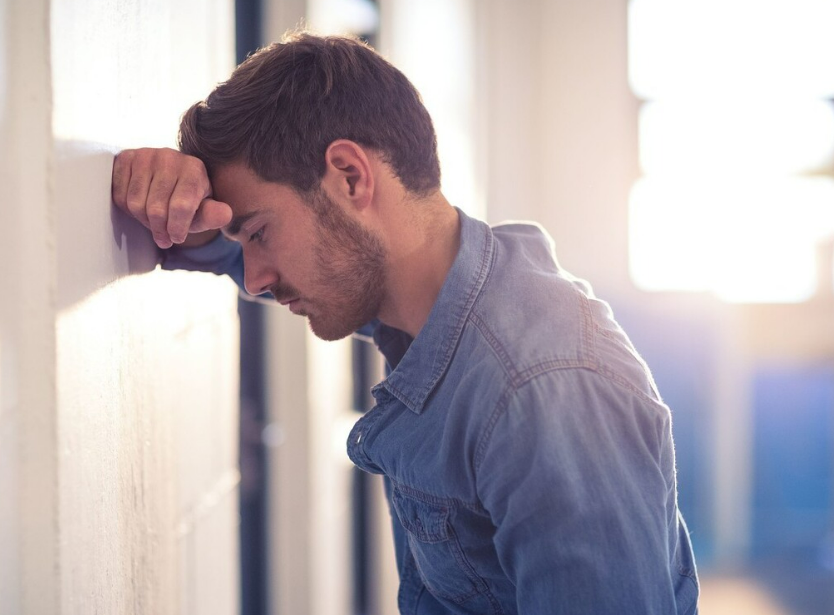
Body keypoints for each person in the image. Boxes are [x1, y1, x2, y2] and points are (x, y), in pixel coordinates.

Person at [110, 32, 699, 615]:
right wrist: (177, 205)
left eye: (260, 233)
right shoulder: (442, 301)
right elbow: (219, 252)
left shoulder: (540, 390)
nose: (256, 278)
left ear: (349, 176)